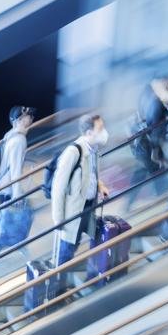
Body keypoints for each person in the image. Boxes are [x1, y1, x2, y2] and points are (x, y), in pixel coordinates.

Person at [51, 114, 111, 272]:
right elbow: (58, 188)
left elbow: (91, 174)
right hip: (72, 212)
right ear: (89, 132)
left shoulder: (93, 150)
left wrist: (100, 186)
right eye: (100, 128)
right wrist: (58, 220)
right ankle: (58, 283)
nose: (104, 132)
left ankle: (64, 277)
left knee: (75, 243)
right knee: (66, 249)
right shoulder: (73, 152)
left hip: (87, 206)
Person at [127, 76, 168, 211]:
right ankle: (164, 203)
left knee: (142, 172)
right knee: (157, 173)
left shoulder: (151, 94)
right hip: (145, 144)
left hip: (140, 142)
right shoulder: (157, 105)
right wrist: (158, 155)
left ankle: (129, 204)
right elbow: (156, 131)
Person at [0, 106, 36, 253]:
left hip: (2, 185)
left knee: (4, 217)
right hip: (8, 187)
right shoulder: (19, 140)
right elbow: (15, 169)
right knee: (14, 215)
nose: (31, 118)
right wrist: (17, 194)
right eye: (28, 116)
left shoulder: (10, 135)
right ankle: (7, 245)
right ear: (19, 120)